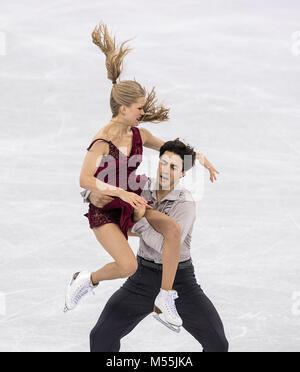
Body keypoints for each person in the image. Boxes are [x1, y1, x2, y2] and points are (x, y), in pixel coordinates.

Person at [64, 23, 219, 333]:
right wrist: (118, 194)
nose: (143, 112)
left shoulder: (139, 134)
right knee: (128, 266)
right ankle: (87, 279)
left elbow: (173, 150)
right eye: (139, 108)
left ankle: (165, 298)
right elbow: (84, 179)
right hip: (106, 209)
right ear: (123, 108)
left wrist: (198, 158)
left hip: (134, 199)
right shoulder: (102, 142)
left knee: (172, 231)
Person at [83, 139, 228, 352]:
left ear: (183, 174)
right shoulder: (140, 187)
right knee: (101, 335)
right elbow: (94, 189)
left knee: (217, 343)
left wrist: (139, 219)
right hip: (142, 278)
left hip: (179, 281)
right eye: (163, 162)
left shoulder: (185, 203)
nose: (165, 170)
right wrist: (95, 194)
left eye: (173, 167)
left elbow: (164, 246)